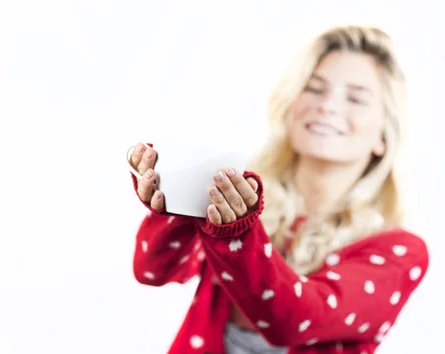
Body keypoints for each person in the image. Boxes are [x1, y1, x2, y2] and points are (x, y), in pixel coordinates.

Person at [128, 25, 429, 354]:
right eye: (314, 88)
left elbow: (293, 320)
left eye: (356, 98)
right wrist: (176, 193)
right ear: (292, 106)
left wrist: (235, 233)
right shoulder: (243, 200)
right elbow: (154, 271)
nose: (327, 105)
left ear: (384, 136)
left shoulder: (399, 251)